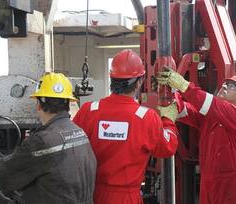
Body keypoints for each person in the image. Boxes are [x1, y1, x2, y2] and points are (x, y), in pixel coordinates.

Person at [73, 49, 179, 204]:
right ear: (139, 82)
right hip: (127, 198)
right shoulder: (147, 118)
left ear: (111, 79)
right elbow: (167, 147)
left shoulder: (88, 110)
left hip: (92, 195)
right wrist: (168, 121)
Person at [0, 72, 97, 203]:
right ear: (68, 104)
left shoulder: (42, 141)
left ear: (39, 105)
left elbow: (3, 177)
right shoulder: (79, 132)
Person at [157, 67, 236, 204]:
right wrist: (170, 93)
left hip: (234, 183)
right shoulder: (211, 117)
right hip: (210, 181)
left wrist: (183, 85)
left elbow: (208, 103)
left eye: (231, 86)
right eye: (225, 83)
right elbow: (187, 111)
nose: (224, 86)